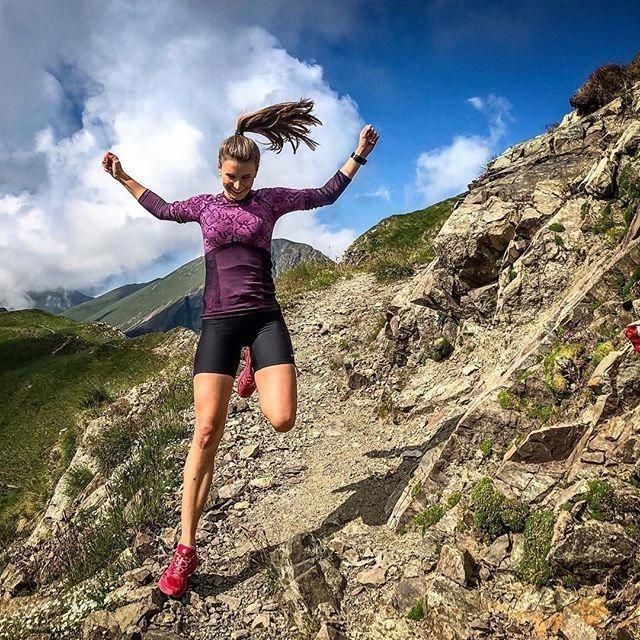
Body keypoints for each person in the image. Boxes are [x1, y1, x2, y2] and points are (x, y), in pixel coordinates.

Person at [101, 98, 379, 598]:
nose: (238, 185)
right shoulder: (205, 206)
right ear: (219, 169)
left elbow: (324, 195)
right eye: (231, 177)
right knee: (206, 431)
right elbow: (163, 209)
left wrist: (357, 154)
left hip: (264, 319)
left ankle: (253, 363)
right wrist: (123, 176)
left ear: (257, 171)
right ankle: (185, 549)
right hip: (218, 324)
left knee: (282, 419)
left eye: (246, 177)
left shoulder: (269, 202)